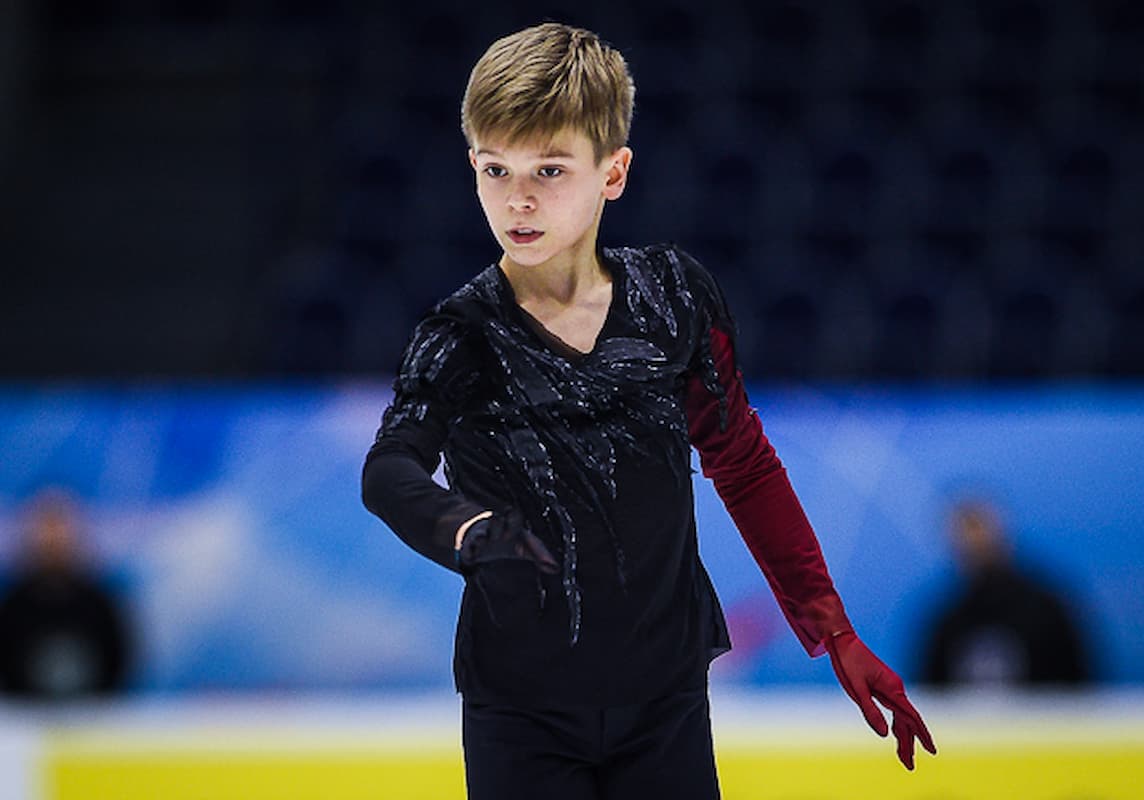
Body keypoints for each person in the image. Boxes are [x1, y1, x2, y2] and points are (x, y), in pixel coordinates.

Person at [361, 22, 935, 798]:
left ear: (613, 173)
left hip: (666, 701)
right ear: (472, 168)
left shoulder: (674, 298)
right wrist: (464, 529)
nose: (518, 198)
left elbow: (743, 465)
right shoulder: (458, 336)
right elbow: (389, 468)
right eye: (496, 170)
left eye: (550, 169)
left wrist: (829, 628)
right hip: (519, 712)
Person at [920, 496, 1092, 688]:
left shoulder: (1047, 610)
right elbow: (933, 699)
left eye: (979, 528)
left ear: (1002, 534)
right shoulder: (946, 621)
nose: (975, 541)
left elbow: (1079, 691)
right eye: (965, 532)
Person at [0, 487, 133, 699]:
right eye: (45, 526)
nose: (53, 537)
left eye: (60, 525)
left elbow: (121, 663)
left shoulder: (101, 603)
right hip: (23, 722)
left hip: (93, 717)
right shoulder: (12, 605)